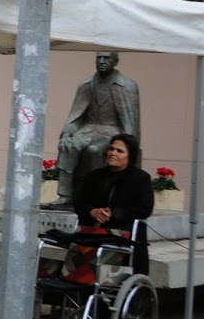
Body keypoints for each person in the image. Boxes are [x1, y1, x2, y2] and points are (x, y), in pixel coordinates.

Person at [57, 52, 142, 205]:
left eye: (106, 58)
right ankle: (66, 196)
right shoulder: (87, 84)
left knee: (94, 151)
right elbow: (76, 118)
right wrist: (68, 133)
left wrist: (129, 144)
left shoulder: (127, 85)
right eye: (99, 58)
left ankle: (94, 197)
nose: (102, 61)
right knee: (68, 146)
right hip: (88, 129)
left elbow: (131, 122)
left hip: (113, 131)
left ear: (115, 61)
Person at [73, 132, 153, 275]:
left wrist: (114, 213)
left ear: (130, 156)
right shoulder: (95, 176)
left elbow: (145, 208)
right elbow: (79, 202)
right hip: (93, 234)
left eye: (119, 151)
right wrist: (92, 212)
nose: (113, 153)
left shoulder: (140, 178)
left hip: (122, 235)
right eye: (111, 149)